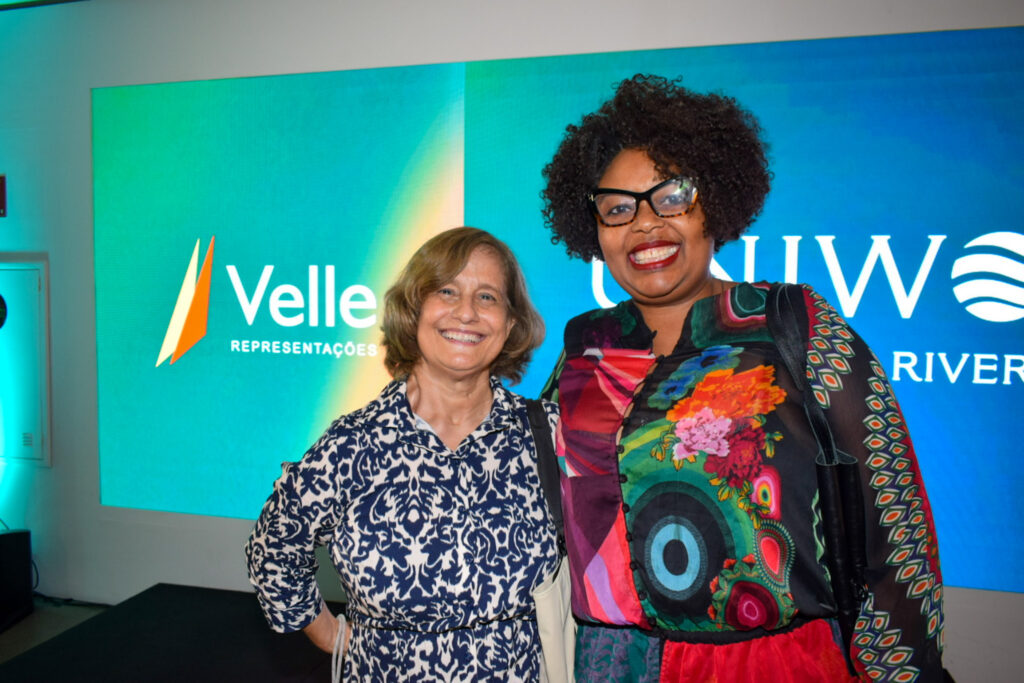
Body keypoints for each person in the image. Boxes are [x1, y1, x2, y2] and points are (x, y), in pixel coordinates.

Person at [539, 75, 946, 681]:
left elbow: (895, 517)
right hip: (610, 662)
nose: (646, 225)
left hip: (771, 661)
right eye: (618, 208)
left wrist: (904, 670)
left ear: (715, 205)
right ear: (594, 228)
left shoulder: (793, 322)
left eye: (671, 196)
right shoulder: (584, 345)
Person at [245, 227, 559, 681]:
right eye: (447, 291)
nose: (467, 312)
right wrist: (331, 636)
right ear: (412, 312)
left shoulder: (547, 435)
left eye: (488, 297)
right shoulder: (352, 444)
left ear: (510, 324)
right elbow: (273, 549)